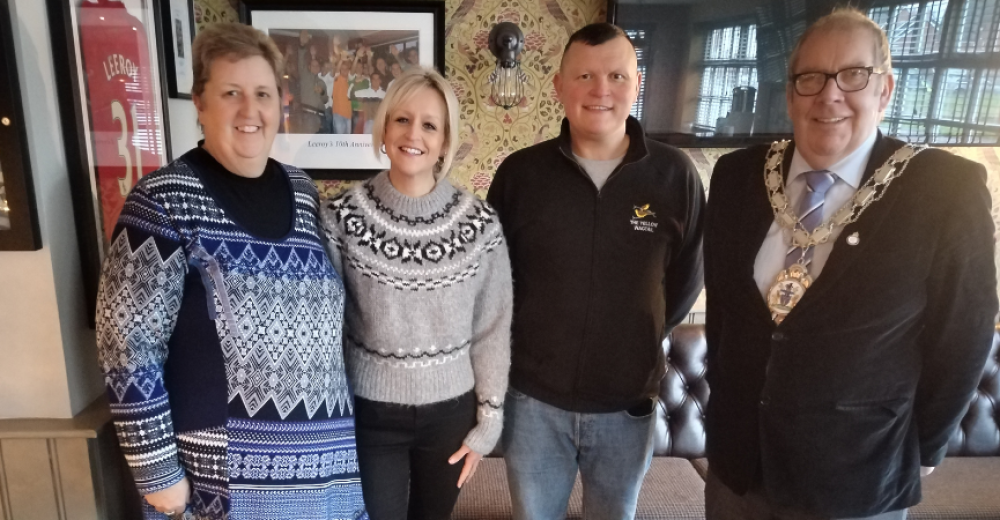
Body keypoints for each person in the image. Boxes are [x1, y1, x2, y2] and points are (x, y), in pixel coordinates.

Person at [702, 8, 998, 520]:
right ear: (791, 92)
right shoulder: (737, 175)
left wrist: (922, 447)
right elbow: (723, 312)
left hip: (856, 476)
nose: (830, 95)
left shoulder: (942, 189)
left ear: (884, 90)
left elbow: (965, 332)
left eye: (853, 76)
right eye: (810, 77)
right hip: (739, 471)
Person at [94, 23, 367, 520]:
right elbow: (125, 344)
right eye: (231, 93)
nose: (249, 110)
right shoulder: (162, 201)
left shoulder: (303, 193)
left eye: (262, 93)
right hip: (218, 481)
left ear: (280, 103)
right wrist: (157, 472)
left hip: (326, 471)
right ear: (200, 102)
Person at [486, 23, 705, 520]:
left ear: (637, 84)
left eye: (616, 75)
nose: (600, 90)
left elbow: (687, 278)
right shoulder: (520, 175)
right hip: (533, 401)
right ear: (559, 86)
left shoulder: (675, 175)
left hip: (627, 404)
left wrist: (636, 332)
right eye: (584, 75)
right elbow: (494, 280)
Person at [321, 66, 513, 520]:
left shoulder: (479, 226)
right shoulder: (341, 218)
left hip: (450, 416)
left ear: (445, 141)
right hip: (369, 415)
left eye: (429, 125)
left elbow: (492, 328)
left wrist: (489, 420)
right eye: (401, 119)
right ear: (384, 128)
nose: (414, 134)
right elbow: (328, 327)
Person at [330, 58, 353, 134]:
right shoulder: (337, 79)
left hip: (348, 115)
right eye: (342, 69)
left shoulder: (350, 81)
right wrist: (341, 59)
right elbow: (336, 71)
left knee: (347, 141)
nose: (344, 70)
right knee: (340, 140)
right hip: (338, 114)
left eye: (346, 69)